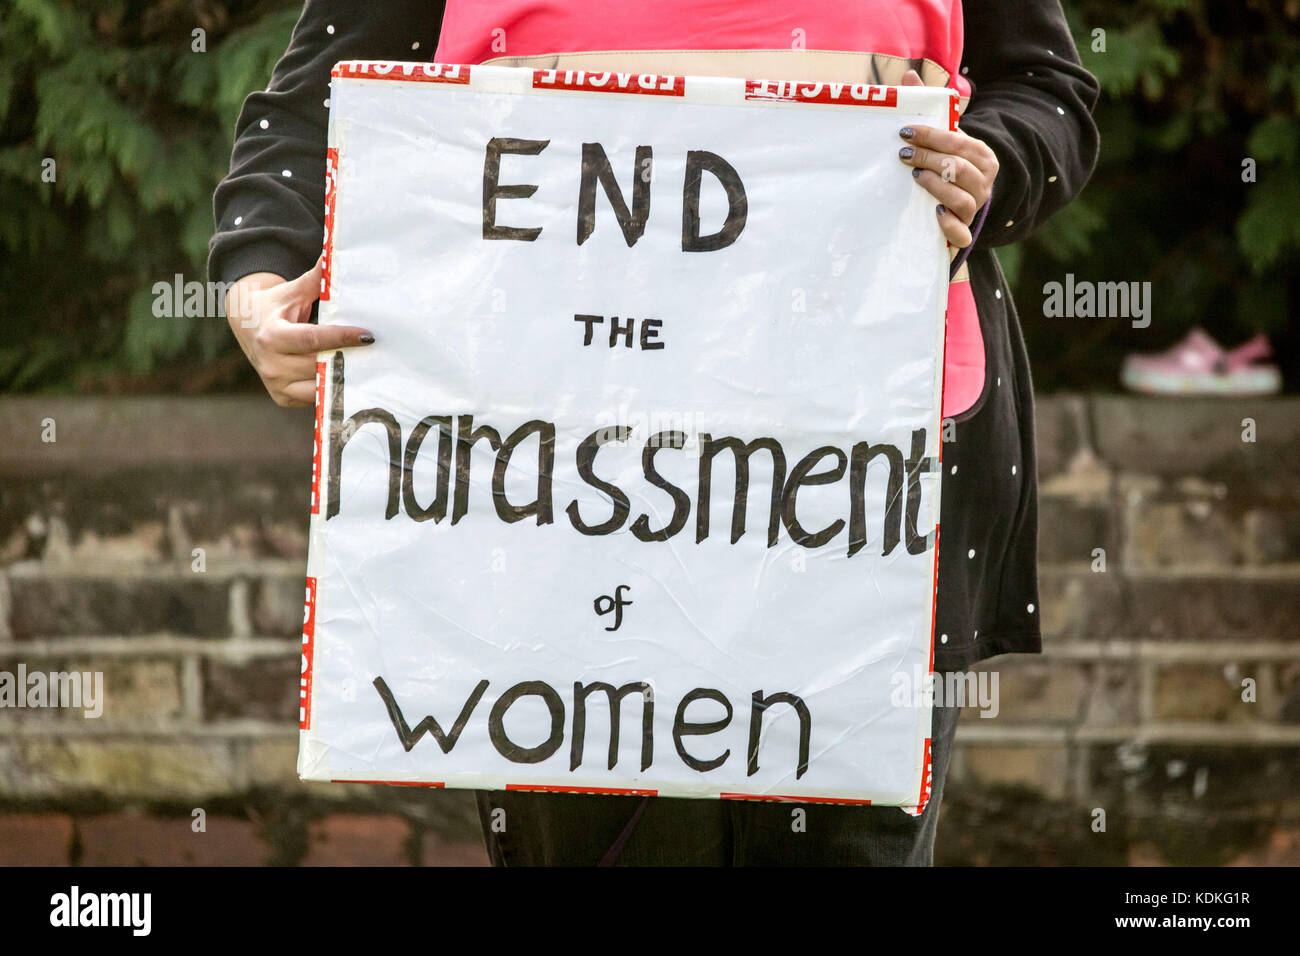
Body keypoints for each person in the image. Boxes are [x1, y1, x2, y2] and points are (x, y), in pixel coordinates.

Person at [211, 0, 1100, 865]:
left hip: (865, 481)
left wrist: (996, 170)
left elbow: (1046, 92)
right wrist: (258, 284)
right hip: (545, 480)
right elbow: (311, 109)